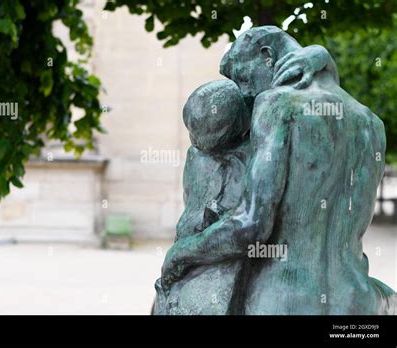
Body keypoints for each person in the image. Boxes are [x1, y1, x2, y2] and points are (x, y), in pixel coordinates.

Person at [160, 26, 395, 315]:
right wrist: (323, 58)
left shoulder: (276, 105)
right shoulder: (371, 123)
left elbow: (250, 225)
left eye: (244, 79)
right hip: (358, 304)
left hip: (282, 302)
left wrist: (179, 253)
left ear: (267, 56)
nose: (245, 95)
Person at [154, 79, 251, 314]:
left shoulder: (252, 157)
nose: (194, 140)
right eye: (191, 131)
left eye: (203, 134)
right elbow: (193, 216)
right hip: (199, 249)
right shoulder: (197, 157)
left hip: (222, 255)